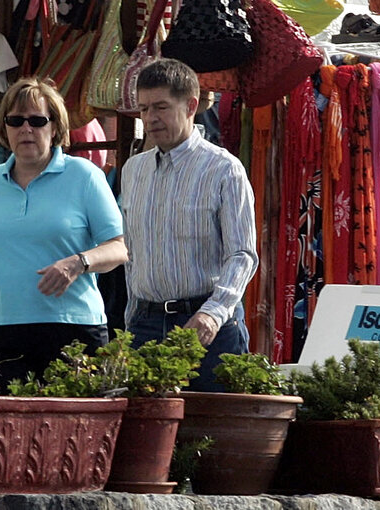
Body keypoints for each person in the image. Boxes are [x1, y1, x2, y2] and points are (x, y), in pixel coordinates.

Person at [0, 76, 128, 390]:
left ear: (54, 127)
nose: (26, 129)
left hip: (71, 329)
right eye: (16, 121)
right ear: (5, 129)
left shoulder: (84, 175)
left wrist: (77, 263)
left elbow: (119, 248)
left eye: (37, 120)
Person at [121, 58, 259, 392]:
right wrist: (131, 320)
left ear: (191, 105)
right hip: (146, 325)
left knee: (213, 436)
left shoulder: (224, 169)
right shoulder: (133, 170)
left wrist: (213, 312)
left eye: (161, 107)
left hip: (207, 323)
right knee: (147, 438)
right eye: (143, 109)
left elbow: (242, 254)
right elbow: (133, 253)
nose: (151, 118)